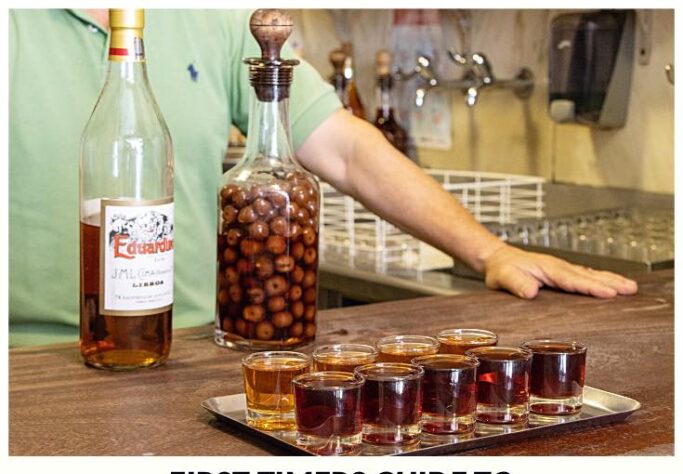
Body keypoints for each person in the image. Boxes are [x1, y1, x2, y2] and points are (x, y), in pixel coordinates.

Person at [9, 9, 637, 349]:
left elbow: (346, 150)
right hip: (29, 364)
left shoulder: (217, 18)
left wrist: (490, 251)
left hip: (190, 351)